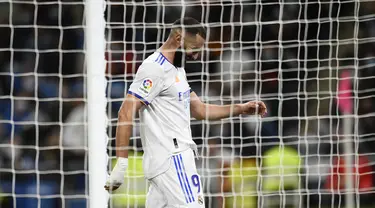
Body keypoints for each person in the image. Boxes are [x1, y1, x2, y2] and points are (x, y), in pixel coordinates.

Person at [104, 17, 267, 208]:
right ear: (178, 38)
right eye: (195, 49)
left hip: (166, 163)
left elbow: (200, 109)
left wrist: (240, 108)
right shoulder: (155, 68)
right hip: (174, 160)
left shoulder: (177, 70)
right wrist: (122, 164)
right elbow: (125, 112)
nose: (196, 56)